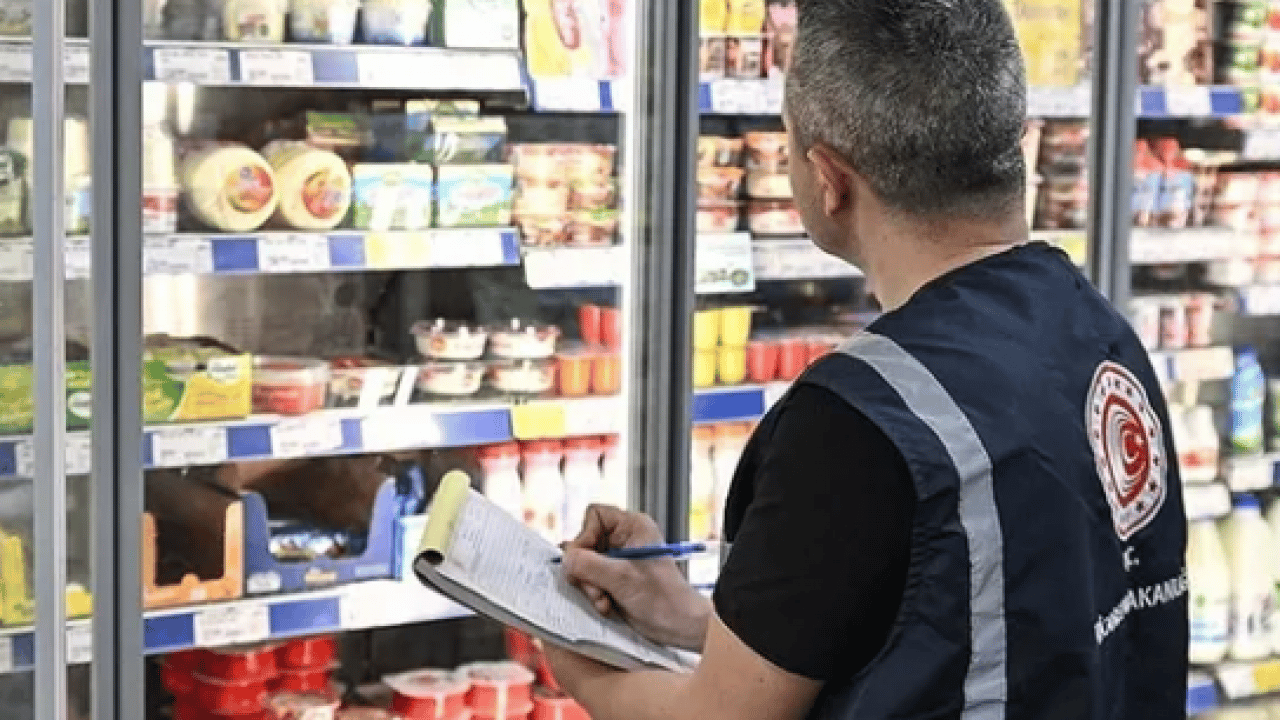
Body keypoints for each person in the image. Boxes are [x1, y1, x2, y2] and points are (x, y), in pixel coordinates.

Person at [545, 1, 1189, 719]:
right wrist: (701, 622)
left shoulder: (860, 419)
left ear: (828, 178)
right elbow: (995, 623)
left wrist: (572, 650)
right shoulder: (1099, 334)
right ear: (1016, 141)